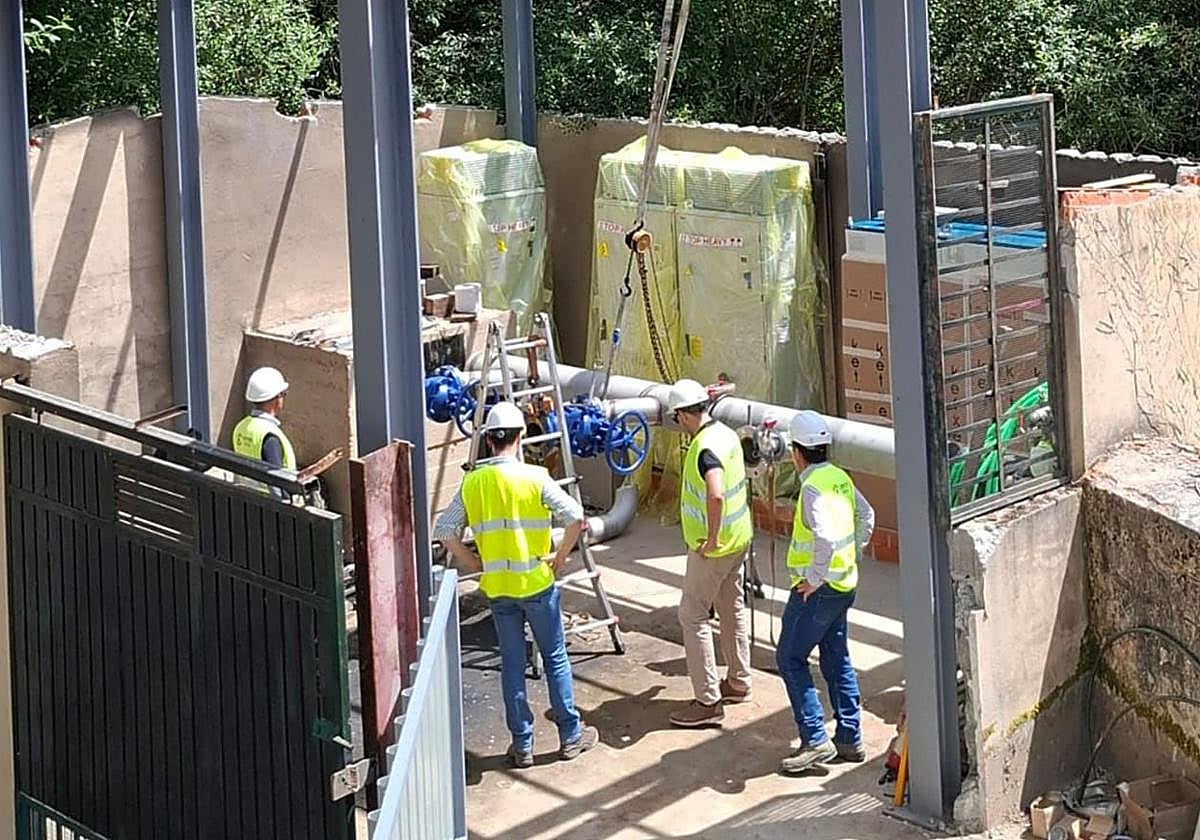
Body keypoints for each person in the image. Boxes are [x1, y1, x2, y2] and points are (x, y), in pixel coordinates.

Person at [434, 401, 600, 767]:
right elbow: (576, 517)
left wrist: (474, 563)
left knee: (512, 663)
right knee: (555, 658)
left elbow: (444, 531)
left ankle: (522, 744)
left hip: (498, 589)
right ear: (521, 436)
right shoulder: (535, 478)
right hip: (537, 586)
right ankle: (571, 735)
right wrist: (559, 558)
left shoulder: (473, 482)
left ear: (489, 440)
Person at [776, 410, 875, 773]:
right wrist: (856, 552)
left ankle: (815, 739)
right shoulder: (839, 479)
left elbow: (826, 536)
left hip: (817, 591)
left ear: (797, 452)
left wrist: (816, 577)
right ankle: (849, 738)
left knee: (789, 658)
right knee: (836, 659)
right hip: (844, 585)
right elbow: (868, 515)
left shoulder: (812, 487)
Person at [667, 378, 754, 728]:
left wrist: (711, 538)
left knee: (692, 615)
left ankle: (707, 701)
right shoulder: (726, 434)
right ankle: (738, 681)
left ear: (683, 416)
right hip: (739, 539)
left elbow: (715, 493)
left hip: (714, 547)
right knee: (731, 609)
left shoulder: (704, 448)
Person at [232, 367, 295, 499]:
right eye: (284, 394)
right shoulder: (269, 436)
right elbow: (278, 485)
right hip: (271, 510)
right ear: (277, 398)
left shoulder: (241, 427)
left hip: (248, 501)